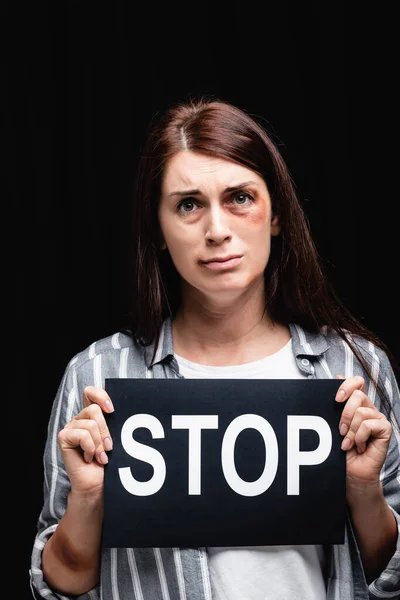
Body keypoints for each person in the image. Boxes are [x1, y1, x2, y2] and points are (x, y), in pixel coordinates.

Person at [30, 97, 400, 600]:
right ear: (158, 231)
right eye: (188, 204)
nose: (217, 230)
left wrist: (362, 491)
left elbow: (390, 579)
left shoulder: (354, 367)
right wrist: (90, 499)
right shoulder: (96, 374)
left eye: (239, 197)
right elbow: (58, 587)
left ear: (275, 215)